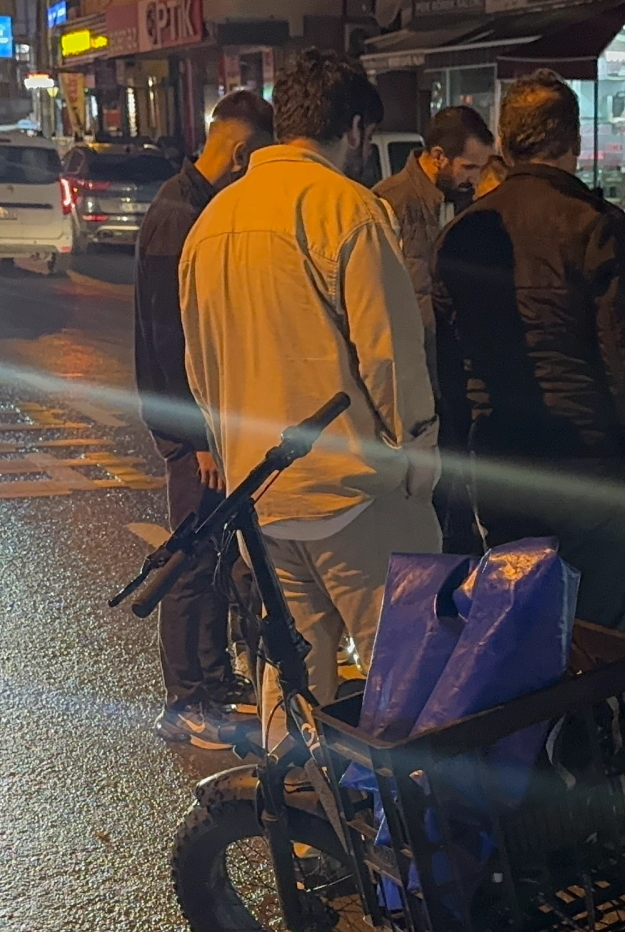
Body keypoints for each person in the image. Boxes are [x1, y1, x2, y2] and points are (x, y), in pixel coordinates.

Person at [180, 50, 441, 712]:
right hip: (354, 491)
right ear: (354, 128)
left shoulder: (211, 222)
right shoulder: (348, 210)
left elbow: (200, 369)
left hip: (261, 493)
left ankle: (290, 778)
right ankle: (400, 783)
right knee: (405, 677)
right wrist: (420, 456)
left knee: (291, 674)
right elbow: (390, 356)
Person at [432, 70, 625, 634]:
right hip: (587, 458)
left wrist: (454, 462)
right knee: (598, 630)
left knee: (518, 620)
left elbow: (450, 367)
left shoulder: (462, 234)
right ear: (575, 141)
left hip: (499, 458)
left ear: (504, 141)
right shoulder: (599, 225)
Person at [133, 88, 273, 749]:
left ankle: (213, 684)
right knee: (191, 559)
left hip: (205, 424)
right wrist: (198, 438)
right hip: (190, 428)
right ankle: (185, 701)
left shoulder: (197, 206)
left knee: (213, 553)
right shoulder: (178, 217)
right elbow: (170, 341)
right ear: (240, 152)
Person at [373, 105, 494, 556]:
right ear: (439, 157)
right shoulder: (390, 203)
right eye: (468, 167)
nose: (475, 179)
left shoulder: (461, 203)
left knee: (457, 497)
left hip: (453, 371)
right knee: (426, 506)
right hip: (416, 380)